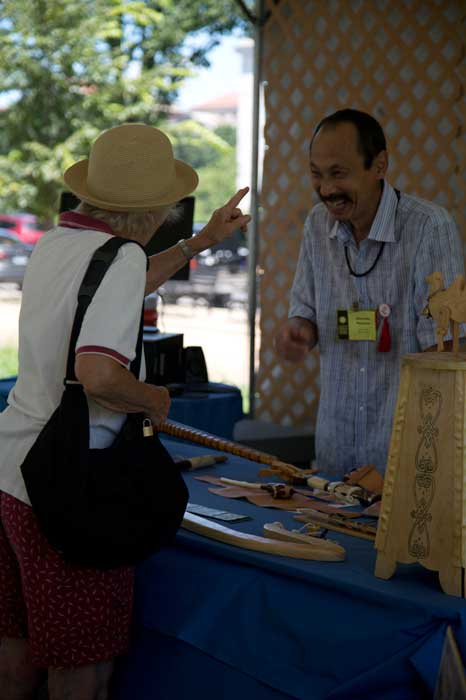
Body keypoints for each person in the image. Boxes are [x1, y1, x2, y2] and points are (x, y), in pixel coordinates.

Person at [0, 122, 250, 700]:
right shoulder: (119, 260)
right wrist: (153, 398)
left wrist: (200, 242)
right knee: (80, 671)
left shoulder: (59, 244)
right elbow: (98, 373)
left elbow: (117, 280)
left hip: (13, 474)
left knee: (15, 655)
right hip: (66, 487)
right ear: (153, 207)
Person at [274, 108, 464, 479]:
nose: (326, 190)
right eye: (317, 174)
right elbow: (306, 312)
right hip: (335, 449)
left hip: (404, 452)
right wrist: (298, 331)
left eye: (339, 174)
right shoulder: (317, 225)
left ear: (379, 166)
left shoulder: (428, 227)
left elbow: (444, 352)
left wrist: (413, 454)